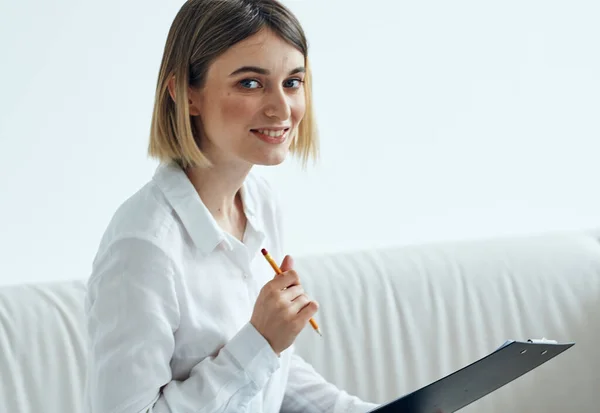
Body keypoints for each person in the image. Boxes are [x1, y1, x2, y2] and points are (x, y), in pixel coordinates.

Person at [84, 0, 380, 412]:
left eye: (292, 82)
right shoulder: (144, 246)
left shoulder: (261, 203)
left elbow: (271, 375)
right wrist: (259, 342)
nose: (282, 108)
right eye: (251, 83)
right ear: (186, 94)